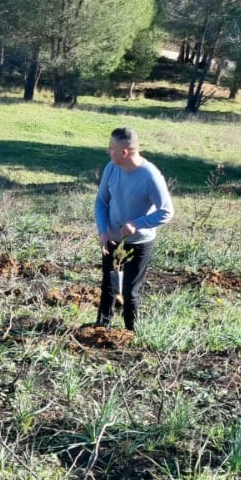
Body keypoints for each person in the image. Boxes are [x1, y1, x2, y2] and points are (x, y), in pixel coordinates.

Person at [94, 127, 173, 334]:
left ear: (124, 152)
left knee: (129, 291)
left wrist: (137, 224)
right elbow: (101, 202)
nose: (108, 151)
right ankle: (101, 328)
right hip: (112, 240)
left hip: (139, 243)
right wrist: (103, 231)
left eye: (111, 148)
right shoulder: (111, 168)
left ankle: (131, 333)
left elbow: (167, 212)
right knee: (110, 286)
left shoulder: (150, 176)